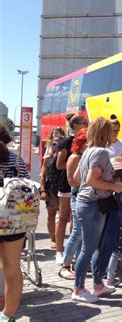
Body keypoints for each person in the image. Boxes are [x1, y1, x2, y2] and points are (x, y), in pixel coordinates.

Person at [71, 117, 122, 303]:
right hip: (93, 205)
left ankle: (97, 286)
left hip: (87, 203)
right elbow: (91, 180)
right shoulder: (101, 152)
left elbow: (78, 177)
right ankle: (78, 290)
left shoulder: (87, 151)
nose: (114, 135)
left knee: (93, 247)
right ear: (105, 133)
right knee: (88, 248)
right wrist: (113, 186)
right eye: (111, 131)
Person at [0, 125, 30, 321]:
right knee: (12, 268)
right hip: (13, 221)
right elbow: (27, 187)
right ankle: (7, 316)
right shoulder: (16, 159)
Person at [55, 113, 88, 265]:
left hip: (79, 187)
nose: (86, 124)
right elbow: (59, 164)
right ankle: (59, 251)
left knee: (75, 222)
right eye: (84, 122)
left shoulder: (85, 141)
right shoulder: (68, 141)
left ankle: (72, 251)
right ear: (75, 125)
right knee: (63, 218)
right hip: (66, 185)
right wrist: (74, 163)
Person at [98, 156, 122, 288]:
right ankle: (111, 277)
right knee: (115, 249)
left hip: (104, 218)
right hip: (120, 221)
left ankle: (100, 272)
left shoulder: (106, 185)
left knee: (102, 246)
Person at [39, 126, 65, 249]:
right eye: (54, 143)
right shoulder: (48, 159)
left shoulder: (66, 157)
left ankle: (59, 239)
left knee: (63, 216)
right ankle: (53, 239)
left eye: (59, 143)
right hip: (51, 188)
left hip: (63, 189)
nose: (57, 145)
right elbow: (43, 175)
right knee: (51, 214)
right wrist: (42, 190)